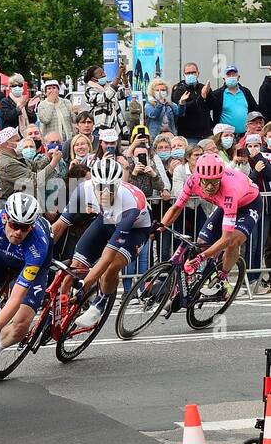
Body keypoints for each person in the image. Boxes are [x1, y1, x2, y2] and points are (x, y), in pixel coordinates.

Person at [48, 157, 152, 329]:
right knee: (75, 266)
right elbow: (59, 226)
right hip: (106, 220)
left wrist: (84, 285)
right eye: (100, 187)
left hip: (135, 230)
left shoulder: (131, 204)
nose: (104, 193)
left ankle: (101, 301)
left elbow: (108, 256)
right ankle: (58, 316)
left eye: (110, 188)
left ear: (118, 185)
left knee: (110, 267)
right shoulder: (83, 189)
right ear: (93, 183)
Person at [0, 193, 52, 372]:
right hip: (1, 254)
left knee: (22, 320)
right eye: (15, 226)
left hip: (31, 265)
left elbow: (16, 297)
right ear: (5, 218)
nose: (18, 232)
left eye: (25, 228)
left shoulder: (37, 245)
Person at [157, 151, 260, 287]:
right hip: (224, 204)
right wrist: (160, 225)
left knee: (233, 241)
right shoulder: (192, 181)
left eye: (215, 182)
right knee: (202, 242)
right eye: (206, 182)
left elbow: (226, 238)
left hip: (248, 205)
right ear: (199, 178)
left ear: (221, 178)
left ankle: (222, 276)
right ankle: (195, 282)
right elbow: (176, 208)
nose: (210, 187)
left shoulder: (230, 190)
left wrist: (202, 257)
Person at [202, 64, 258, 136]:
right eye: (228, 75)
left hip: (245, 135)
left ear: (238, 77)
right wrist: (212, 126)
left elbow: (254, 110)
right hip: (226, 136)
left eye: (234, 74)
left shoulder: (246, 92)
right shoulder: (218, 94)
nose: (231, 77)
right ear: (224, 78)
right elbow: (206, 109)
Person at [172, 61, 213, 143]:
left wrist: (208, 96)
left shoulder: (203, 87)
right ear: (184, 75)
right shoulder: (179, 90)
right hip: (188, 135)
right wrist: (201, 98)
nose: (190, 75)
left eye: (193, 72)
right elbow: (182, 110)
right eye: (188, 73)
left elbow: (212, 105)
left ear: (198, 73)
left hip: (206, 134)